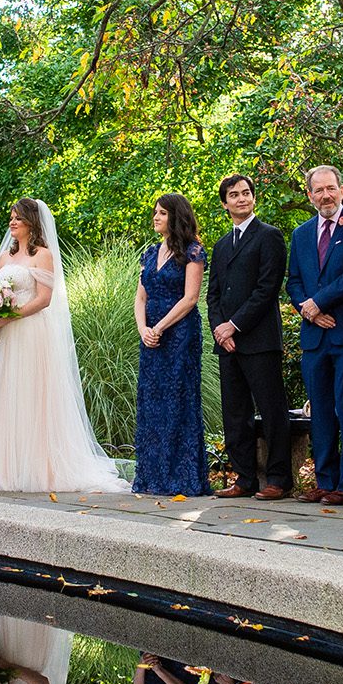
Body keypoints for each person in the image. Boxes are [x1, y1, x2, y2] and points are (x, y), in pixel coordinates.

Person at [0, 199, 129, 492]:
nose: (12, 223)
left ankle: (37, 467)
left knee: (29, 396)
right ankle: (2, 468)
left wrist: (8, 317)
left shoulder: (44, 255)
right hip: (4, 337)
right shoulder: (4, 258)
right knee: (4, 396)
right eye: (11, 218)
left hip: (29, 334)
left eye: (18, 218)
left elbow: (44, 299)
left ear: (32, 223)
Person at [286, 166, 343, 505]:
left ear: (341, 190)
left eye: (330, 189)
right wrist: (307, 309)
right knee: (320, 411)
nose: (325, 195)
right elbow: (293, 280)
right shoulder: (301, 233)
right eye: (318, 190)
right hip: (313, 336)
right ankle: (325, 480)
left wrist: (319, 302)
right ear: (309, 195)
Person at [206, 175, 291, 499]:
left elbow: (267, 289)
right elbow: (213, 294)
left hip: (259, 340)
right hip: (227, 344)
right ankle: (244, 478)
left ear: (254, 198)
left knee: (272, 411)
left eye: (246, 193)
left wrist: (234, 325)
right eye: (234, 195)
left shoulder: (269, 236)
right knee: (235, 414)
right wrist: (220, 328)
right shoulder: (222, 245)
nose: (241, 198)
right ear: (225, 203)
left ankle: (279, 479)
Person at [133, 194, 210, 497]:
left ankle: (182, 478)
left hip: (179, 334)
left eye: (162, 213)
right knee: (152, 402)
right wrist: (144, 330)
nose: (155, 217)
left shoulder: (193, 252)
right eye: (155, 212)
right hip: (151, 336)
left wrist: (161, 327)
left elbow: (190, 298)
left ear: (175, 217)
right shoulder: (151, 253)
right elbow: (140, 297)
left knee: (179, 400)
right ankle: (153, 477)